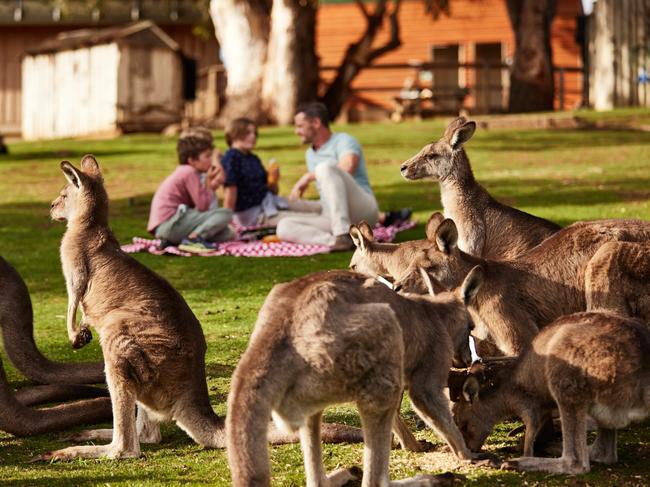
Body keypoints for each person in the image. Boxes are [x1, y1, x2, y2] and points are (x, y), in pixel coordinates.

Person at [277, 102, 410, 252]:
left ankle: (341, 233)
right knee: (284, 226)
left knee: (324, 168)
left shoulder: (344, 141)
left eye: (300, 126)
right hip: (332, 215)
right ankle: (338, 241)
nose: (296, 131)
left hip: (362, 210)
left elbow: (348, 168)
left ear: (316, 123)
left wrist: (308, 177)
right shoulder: (310, 154)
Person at [221, 118, 320, 228]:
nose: (253, 136)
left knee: (317, 207)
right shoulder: (231, 159)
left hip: (271, 202)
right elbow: (230, 193)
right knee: (312, 219)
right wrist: (226, 222)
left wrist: (274, 179)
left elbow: (273, 191)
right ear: (234, 134)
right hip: (257, 215)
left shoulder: (253, 158)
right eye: (248, 133)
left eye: (255, 133)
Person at [147, 128, 233, 252]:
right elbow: (203, 206)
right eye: (207, 156)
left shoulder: (184, 171)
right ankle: (194, 239)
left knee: (226, 233)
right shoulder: (189, 172)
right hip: (170, 224)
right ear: (192, 160)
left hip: (166, 228)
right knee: (226, 213)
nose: (211, 161)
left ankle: (175, 241)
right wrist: (208, 182)